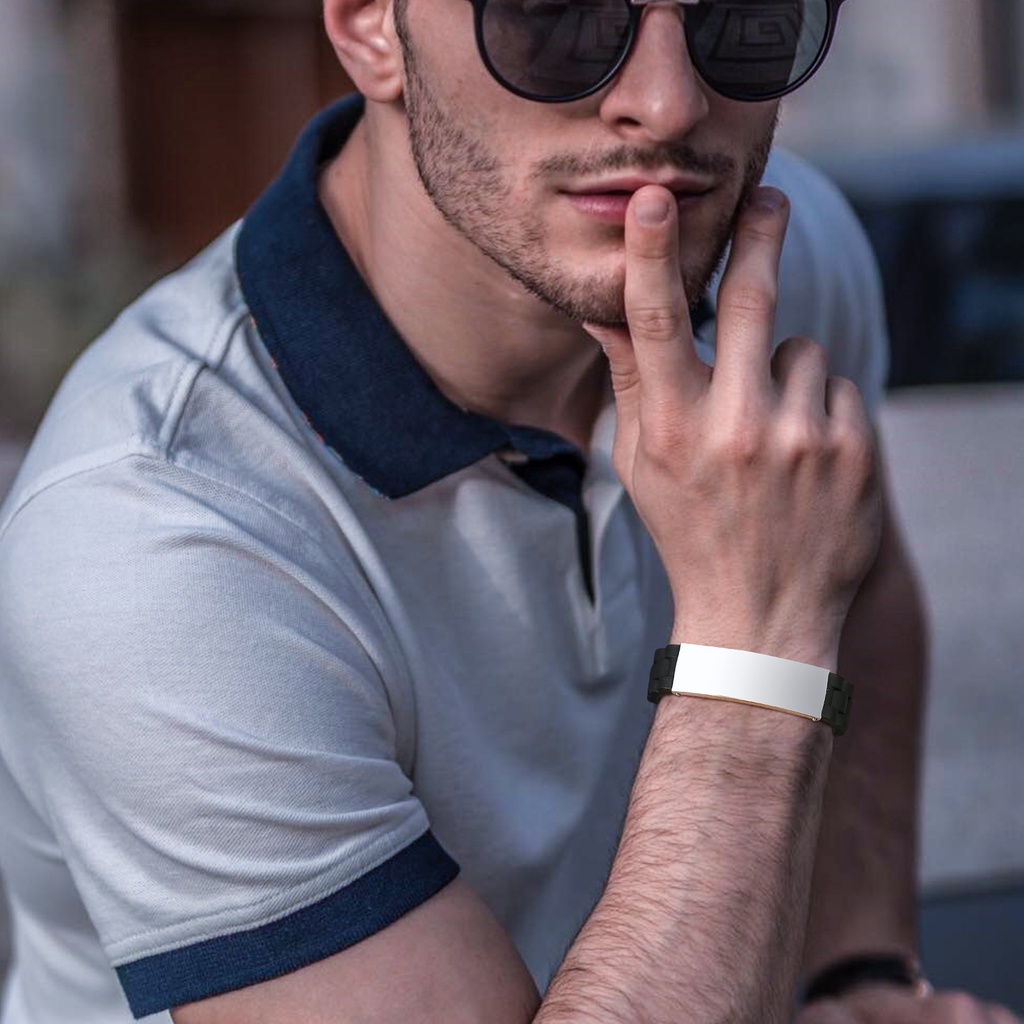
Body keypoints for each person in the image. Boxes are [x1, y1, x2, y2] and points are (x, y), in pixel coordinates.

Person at [0, 1, 1019, 1022]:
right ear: (369, 27)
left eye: (740, 12)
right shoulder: (156, 539)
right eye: (558, 18)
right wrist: (752, 644)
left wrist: (859, 972)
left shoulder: (779, 261)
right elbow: (792, 618)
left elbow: (850, 594)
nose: (670, 103)